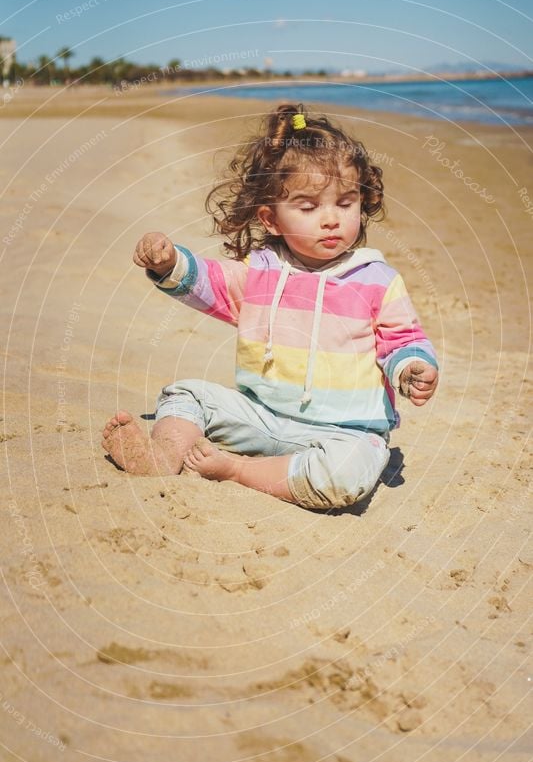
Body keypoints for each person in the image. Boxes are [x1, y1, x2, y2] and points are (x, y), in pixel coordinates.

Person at [102, 104, 439, 510]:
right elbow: (208, 282)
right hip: (261, 417)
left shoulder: (377, 279)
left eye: (345, 203)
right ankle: (164, 455)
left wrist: (412, 368)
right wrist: (169, 261)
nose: (331, 219)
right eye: (309, 207)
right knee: (186, 394)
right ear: (272, 218)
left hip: (346, 432)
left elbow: (402, 340)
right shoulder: (260, 274)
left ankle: (238, 470)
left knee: (347, 475)